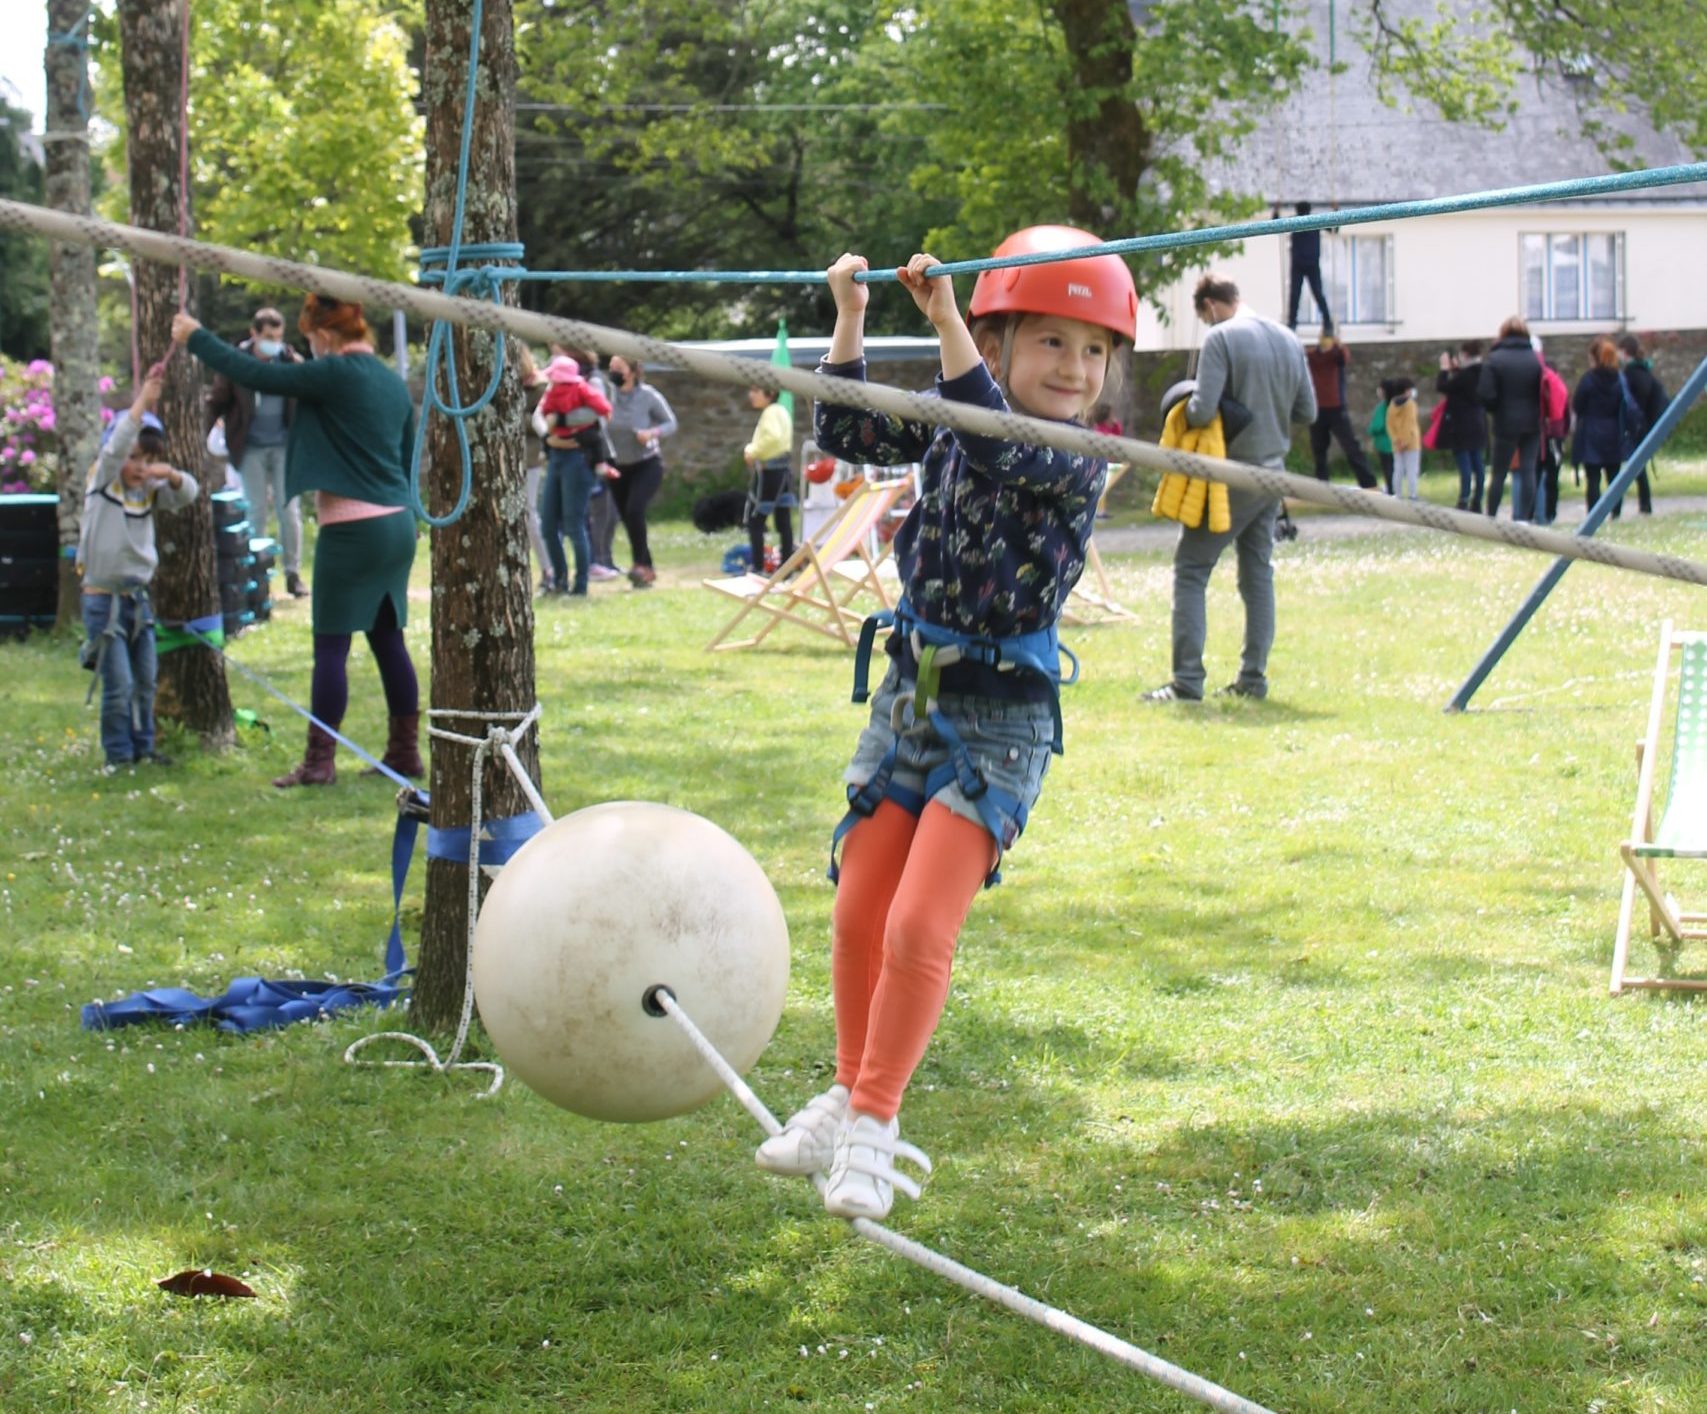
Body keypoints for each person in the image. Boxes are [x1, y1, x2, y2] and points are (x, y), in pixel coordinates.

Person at [756, 226, 1133, 1220]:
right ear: (1002, 347)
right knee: (857, 911)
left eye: (1093, 350)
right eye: (1051, 342)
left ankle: (876, 1122)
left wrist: (948, 324)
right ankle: (846, 1096)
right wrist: (850, 318)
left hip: (998, 722)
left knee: (920, 924)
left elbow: (995, 441)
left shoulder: (1078, 456)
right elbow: (849, 435)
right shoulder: (952, 414)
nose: (1076, 367)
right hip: (911, 697)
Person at [173, 296, 424, 787]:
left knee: (330, 645)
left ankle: (319, 762)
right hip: (397, 525)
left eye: (310, 340)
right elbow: (409, 453)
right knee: (387, 639)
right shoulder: (391, 381)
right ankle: (404, 752)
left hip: (351, 528)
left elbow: (257, 375)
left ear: (325, 336)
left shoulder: (334, 372)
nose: (309, 349)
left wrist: (195, 337)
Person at [1143, 274, 1314, 703]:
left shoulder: (1221, 337)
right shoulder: (1288, 338)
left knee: (1191, 569)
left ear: (1210, 306)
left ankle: (1186, 682)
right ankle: (1253, 679)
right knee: (1257, 575)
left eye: (1204, 318)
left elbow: (1201, 413)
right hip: (1273, 473)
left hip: (1232, 475)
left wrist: (1182, 403)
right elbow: (1307, 411)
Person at [76, 373, 197, 770]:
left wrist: (169, 474)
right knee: (119, 685)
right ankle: (119, 755)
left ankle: (144, 748)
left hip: (138, 601)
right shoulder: (102, 484)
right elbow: (115, 449)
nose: (139, 467)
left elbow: (189, 493)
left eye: (147, 460)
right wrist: (142, 402)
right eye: (133, 458)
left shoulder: (146, 493)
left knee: (145, 681)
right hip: (103, 601)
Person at [204, 307, 308, 597]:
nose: (274, 342)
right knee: (255, 510)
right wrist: (201, 434)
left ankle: (292, 573)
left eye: (278, 336)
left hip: (284, 445)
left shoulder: (290, 362)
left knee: (289, 510)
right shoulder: (235, 363)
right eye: (268, 336)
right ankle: (254, 576)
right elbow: (216, 401)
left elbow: (307, 400)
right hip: (249, 446)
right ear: (254, 334)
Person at [536, 354, 613, 598]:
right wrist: (549, 437)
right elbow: (540, 416)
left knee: (574, 524)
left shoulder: (584, 391)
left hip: (578, 460)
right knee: (548, 525)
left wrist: (564, 421)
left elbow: (602, 411)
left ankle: (580, 585)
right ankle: (559, 581)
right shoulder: (550, 394)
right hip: (556, 458)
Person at [603, 356, 679, 588]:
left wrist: (652, 432)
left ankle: (640, 565)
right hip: (617, 465)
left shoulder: (648, 396)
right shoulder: (606, 395)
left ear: (633, 371)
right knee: (628, 518)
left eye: (619, 368)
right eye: (611, 368)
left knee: (634, 509)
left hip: (647, 463)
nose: (613, 372)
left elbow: (671, 423)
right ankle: (646, 568)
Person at [1477, 315, 1543, 522]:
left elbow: (1485, 394)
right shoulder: (1535, 359)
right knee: (1528, 469)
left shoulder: (1495, 359)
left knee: (1499, 472)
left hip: (1505, 421)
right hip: (1532, 420)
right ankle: (1524, 518)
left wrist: (1496, 409)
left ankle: (1492, 516)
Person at [1571, 335, 1638, 519]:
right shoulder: (1619, 379)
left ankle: (1594, 514)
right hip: (1614, 431)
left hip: (1592, 431)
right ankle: (1615, 513)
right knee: (1614, 477)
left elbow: (1578, 404)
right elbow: (1626, 404)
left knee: (1593, 478)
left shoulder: (1588, 379)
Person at [1304, 334, 1376, 488]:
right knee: (1319, 449)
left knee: (1350, 446)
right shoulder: (1311, 356)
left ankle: (1368, 483)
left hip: (1336, 408)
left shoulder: (1336, 355)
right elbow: (1299, 355)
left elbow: (1343, 356)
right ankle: (1321, 484)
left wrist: (1339, 344)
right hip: (1318, 408)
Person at [743, 385, 796, 574]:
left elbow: (773, 438)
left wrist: (752, 451)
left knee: (755, 521)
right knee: (783, 522)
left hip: (770, 473)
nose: (751, 394)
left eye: (756, 391)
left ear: (770, 393)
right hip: (784, 472)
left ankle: (757, 567)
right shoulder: (782, 411)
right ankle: (787, 569)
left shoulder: (771, 412)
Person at [1436, 341, 1488, 511]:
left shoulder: (1464, 376)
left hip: (1461, 425)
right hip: (1478, 422)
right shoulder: (1484, 372)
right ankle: (1477, 499)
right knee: (1478, 463)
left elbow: (1443, 386)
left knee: (1465, 464)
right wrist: (1457, 370)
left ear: (1465, 355)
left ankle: (1464, 498)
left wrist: (1444, 369)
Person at [1617, 333, 1666, 514]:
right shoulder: (1644, 371)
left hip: (1636, 426)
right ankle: (1645, 504)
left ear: (1625, 352)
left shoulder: (1632, 374)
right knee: (1638, 467)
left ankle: (1643, 505)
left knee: (1636, 467)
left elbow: (1632, 402)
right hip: (1644, 425)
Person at [1532, 336, 1571, 524]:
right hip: (1554, 435)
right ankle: (1550, 513)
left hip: (1540, 435)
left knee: (1535, 475)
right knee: (1552, 478)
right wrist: (1562, 433)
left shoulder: (1544, 381)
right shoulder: (1556, 383)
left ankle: (1534, 513)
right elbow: (1565, 413)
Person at [1286, 201, 1332, 333]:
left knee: (1301, 294)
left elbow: (1333, 228)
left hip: (1305, 264)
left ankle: (1294, 322)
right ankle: (1294, 322)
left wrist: (1335, 211)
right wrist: (1335, 211)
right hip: (1305, 264)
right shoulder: (1313, 221)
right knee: (1306, 294)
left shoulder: (1295, 221)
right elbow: (1333, 228)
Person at [1385, 376, 1421, 500]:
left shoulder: (1391, 405)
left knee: (1398, 469)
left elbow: (1389, 425)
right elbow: (1410, 424)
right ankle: (1412, 494)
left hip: (1396, 444)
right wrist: (1405, 442)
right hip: (1411, 443)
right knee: (1412, 470)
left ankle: (1397, 494)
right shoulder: (1411, 405)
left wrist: (1396, 441)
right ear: (1406, 391)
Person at [1367, 380, 1394, 494]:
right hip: (1395, 442)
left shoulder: (1382, 407)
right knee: (1394, 468)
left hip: (1384, 443)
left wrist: (1370, 430)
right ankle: (1393, 489)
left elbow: (1377, 425)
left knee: (1387, 468)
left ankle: (1391, 490)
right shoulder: (1395, 405)